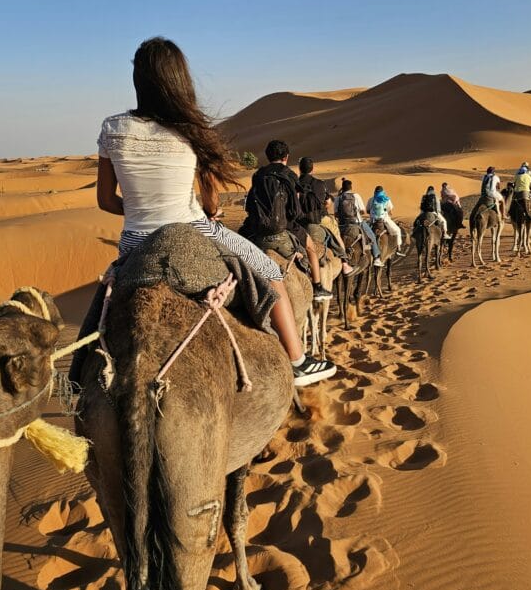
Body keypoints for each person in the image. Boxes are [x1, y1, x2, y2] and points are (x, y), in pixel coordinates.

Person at [95, 37, 335, 386]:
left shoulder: (112, 128)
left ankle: (76, 377)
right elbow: (210, 205)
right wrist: (205, 209)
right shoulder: (192, 130)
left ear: (138, 80)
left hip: (135, 241)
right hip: (195, 229)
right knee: (270, 270)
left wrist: (138, 209)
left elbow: (106, 200)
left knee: (100, 311)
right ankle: (297, 361)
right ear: (180, 79)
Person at [241, 140, 333, 301]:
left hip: (257, 227)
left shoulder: (258, 175)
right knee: (311, 247)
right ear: (286, 157)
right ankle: (317, 286)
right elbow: (294, 210)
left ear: (268, 156)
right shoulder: (289, 175)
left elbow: (250, 204)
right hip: (285, 226)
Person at [297, 157, 353, 275]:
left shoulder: (294, 183)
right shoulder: (319, 183)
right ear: (312, 169)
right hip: (318, 219)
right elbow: (328, 202)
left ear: (299, 169)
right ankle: (345, 263)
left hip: (298, 222)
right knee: (335, 233)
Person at [335, 179, 384, 266]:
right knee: (372, 236)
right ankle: (376, 258)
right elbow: (363, 211)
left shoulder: (338, 198)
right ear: (351, 187)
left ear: (342, 188)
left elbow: (336, 214)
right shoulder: (356, 196)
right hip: (357, 223)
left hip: (342, 225)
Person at [368, 185, 404, 254]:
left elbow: (367, 210)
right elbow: (390, 210)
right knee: (397, 230)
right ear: (383, 192)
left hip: (373, 221)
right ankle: (398, 247)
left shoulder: (371, 199)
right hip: (384, 220)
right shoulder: (386, 199)